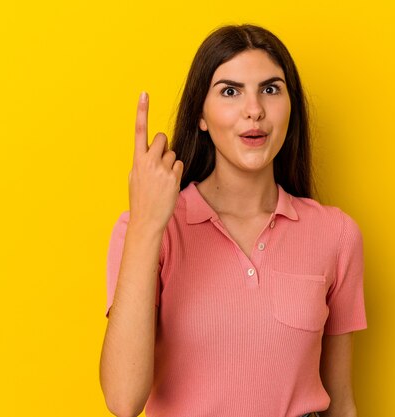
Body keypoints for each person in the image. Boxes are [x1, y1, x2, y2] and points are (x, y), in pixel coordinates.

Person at [99, 24, 367, 417]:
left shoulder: (336, 234)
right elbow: (123, 401)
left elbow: (340, 400)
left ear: (291, 108)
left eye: (271, 89)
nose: (254, 109)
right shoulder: (145, 231)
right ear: (202, 116)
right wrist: (146, 226)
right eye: (230, 91)